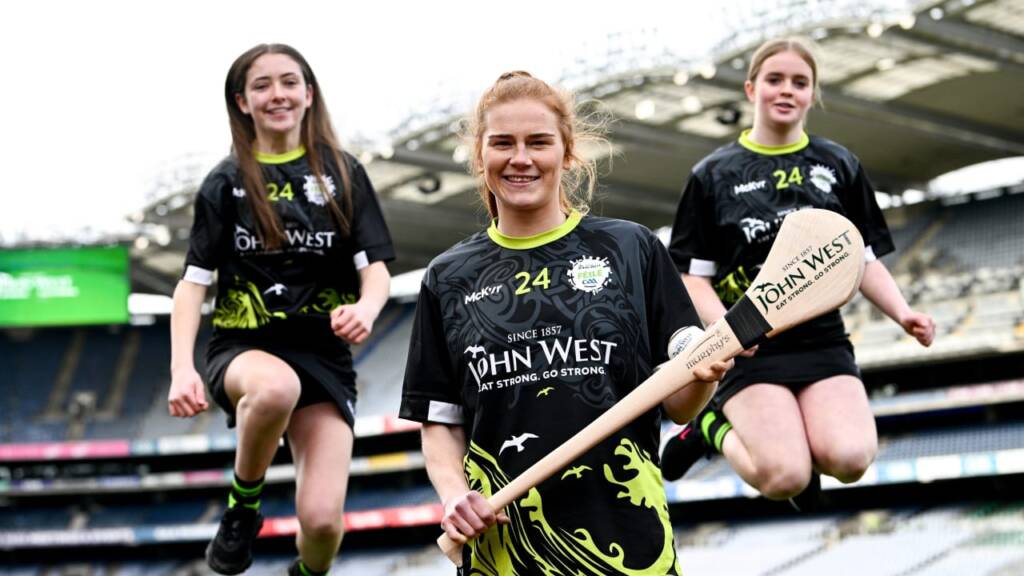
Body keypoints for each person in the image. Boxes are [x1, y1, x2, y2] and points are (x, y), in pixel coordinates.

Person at [399, 71, 730, 575]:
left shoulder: (630, 249)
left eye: (539, 142)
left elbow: (679, 405)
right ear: (480, 156)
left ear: (567, 152)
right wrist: (454, 497)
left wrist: (705, 378)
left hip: (628, 543)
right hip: (506, 551)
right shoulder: (448, 277)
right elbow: (440, 422)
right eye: (502, 143)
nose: (521, 158)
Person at [661, 37, 936, 510]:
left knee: (850, 460)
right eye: (774, 80)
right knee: (785, 476)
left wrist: (903, 314)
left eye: (800, 82)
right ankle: (707, 427)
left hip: (821, 341)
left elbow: (861, 261)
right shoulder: (712, 175)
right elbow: (692, 277)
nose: (786, 90)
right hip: (750, 346)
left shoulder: (839, 164)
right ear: (751, 89)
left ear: (813, 94)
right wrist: (730, 329)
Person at [167, 43, 394, 576]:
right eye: (262, 85)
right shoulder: (224, 184)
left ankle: (307, 574)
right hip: (246, 350)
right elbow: (191, 285)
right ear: (242, 102)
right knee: (275, 387)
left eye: (289, 82)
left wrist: (366, 307)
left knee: (321, 524)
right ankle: (243, 508)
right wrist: (182, 368)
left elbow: (377, 269)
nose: (278, 94)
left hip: (324, 358)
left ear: (309, 94)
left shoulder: (343, 172)